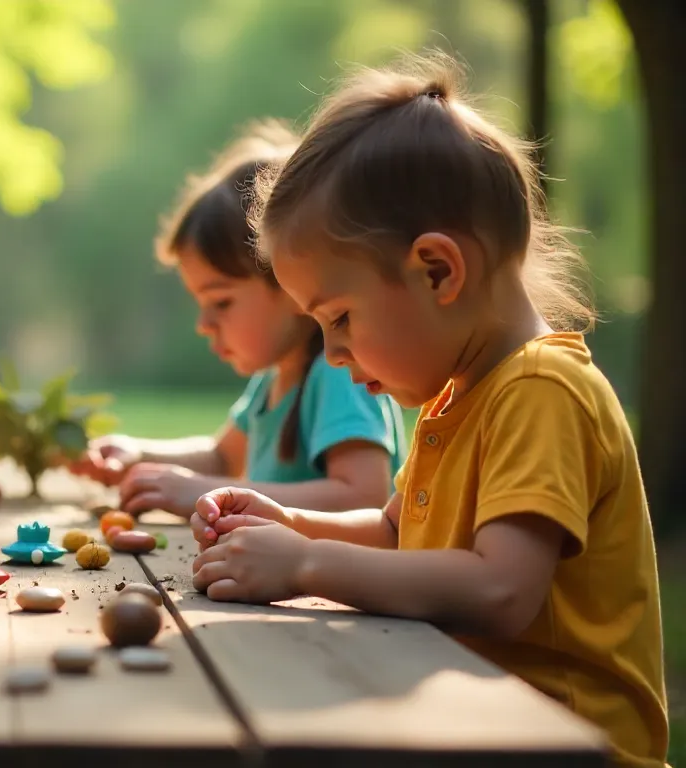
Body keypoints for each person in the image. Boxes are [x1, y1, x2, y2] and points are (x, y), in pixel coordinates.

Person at [191, 54, 667, 767]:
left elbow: (500, 588)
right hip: (469, 722)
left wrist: (305, 565)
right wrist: (288, 521)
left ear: (437, 270)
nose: (336, 352)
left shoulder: (540, 390)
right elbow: (396, 532)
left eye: (341, 317)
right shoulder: (461, 394)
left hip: (563, 745)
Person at [71, 121, 405, 518]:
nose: (203, 324)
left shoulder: (338, 373)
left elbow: (361, 497)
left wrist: (204, 492)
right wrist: (140, 454)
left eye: (221, 302)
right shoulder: (275, 378)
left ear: (290, 284)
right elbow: (219, 458)